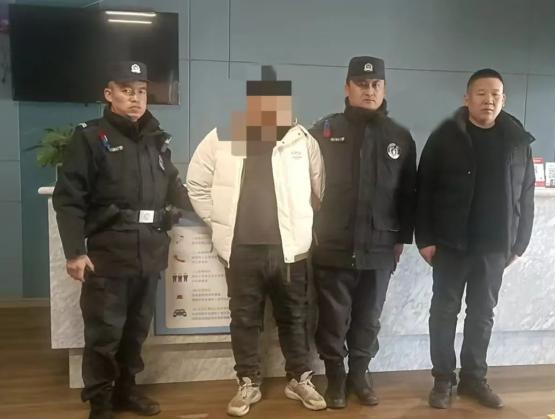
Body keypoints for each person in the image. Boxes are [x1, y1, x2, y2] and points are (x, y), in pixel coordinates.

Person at [53, 61, 192, 419]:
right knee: (104, 334)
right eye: (127, 90)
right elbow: (69, 199)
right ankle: (100, 402)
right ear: (109, 94)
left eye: (141, 91)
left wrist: (217, 206)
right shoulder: (90, 138)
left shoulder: (156, 139)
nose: (135, 98)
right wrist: (74, 252)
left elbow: (175, 189)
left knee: (135, 331)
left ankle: (126, 391)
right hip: (109, 253)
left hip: (149, 252)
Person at [186, 66, 326, 417]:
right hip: (242, 250)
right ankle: (248, 382)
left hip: (291, 251)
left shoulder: (301, 141)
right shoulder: (223, 136)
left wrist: (301, 227)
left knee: (295, 316)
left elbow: (319, 189)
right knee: (244, 318)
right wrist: (220, 222)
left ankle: (299, 378)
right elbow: (197, 185)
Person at [416, 68, 535, 410]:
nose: (489, 100)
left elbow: (526, 193)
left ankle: (473, 379)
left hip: (494, 246)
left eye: (495, 94)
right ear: (466, 98)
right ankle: (443, 379)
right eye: (481, 93)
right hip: (450, 244)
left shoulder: (516, 140)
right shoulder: (445, 136)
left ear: (504, 99)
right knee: (444, 313)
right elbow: (423, 189)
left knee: (482, 315)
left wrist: (520, 242)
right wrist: (424, 238)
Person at [309, 56, 417, 409]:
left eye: (375, 85)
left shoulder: (400, 136)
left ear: (383, 88)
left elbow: (408, 193)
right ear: (347, 87)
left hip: (379, 247)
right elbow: (303, 186)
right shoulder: (323, 131)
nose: (369, 90)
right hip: (333, 244)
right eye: (361, 84)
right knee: (332, 320)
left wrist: (402, 239)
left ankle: (360, 374)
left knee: (369, 320)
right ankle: (335, 379)